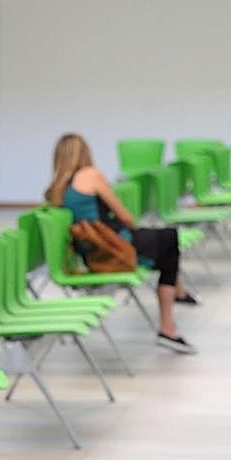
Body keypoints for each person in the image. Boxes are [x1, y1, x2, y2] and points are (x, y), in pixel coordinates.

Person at [45, 133, 198, 354]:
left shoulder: (57, 190)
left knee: (165, 245)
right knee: (169, 239)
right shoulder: (90, 175)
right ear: (84, 152)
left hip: (91, 252)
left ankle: (178, 300)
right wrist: (134, 225)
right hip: (114, 246)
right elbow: (124, 216)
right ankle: (168, 326)